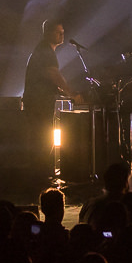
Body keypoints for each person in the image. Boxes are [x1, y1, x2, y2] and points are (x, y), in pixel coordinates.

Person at [21, 20, 84, 185]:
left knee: (41, 138)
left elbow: (47, 79)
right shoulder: (45, 51)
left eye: (62, 31)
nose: (62, 35)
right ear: (47, 33)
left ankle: (41, 175)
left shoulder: (43, 50)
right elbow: (53, 74)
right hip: (38, 103)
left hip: (38, 101)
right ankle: (41, 178)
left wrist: (64, 93)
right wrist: (71, 93)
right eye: (58, 32)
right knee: (42, 138)